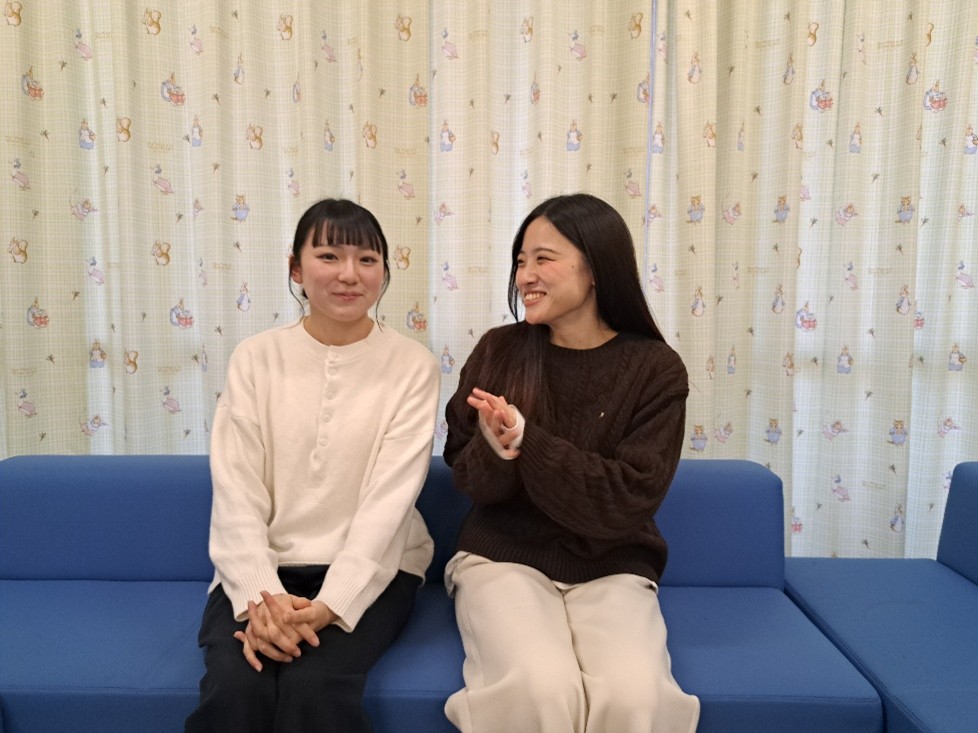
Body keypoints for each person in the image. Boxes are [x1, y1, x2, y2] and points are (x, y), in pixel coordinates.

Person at [442, 193, 700, 732]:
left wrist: (528, 442)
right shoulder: (498, 351)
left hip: (613, 564)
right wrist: (497, 448)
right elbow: (470, 481)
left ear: (597, 268)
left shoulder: (655, 369)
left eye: (544, 259)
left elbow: (625, 499)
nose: (525, 276)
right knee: (540, 685)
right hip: (502, 559)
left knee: (636, 696)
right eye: (521, 261)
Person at [186, 198, 440, 732]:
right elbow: (236, 491)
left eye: (367, 260)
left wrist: (332, 604)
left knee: (315, 686)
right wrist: (262, 597)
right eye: (329, 256)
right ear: (296, 269)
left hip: (375, 567)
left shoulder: (413, 366)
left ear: (384, 273)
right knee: (237, 686)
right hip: (266, 568)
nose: (350, 274)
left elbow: (389, 504)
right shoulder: (255, 358)